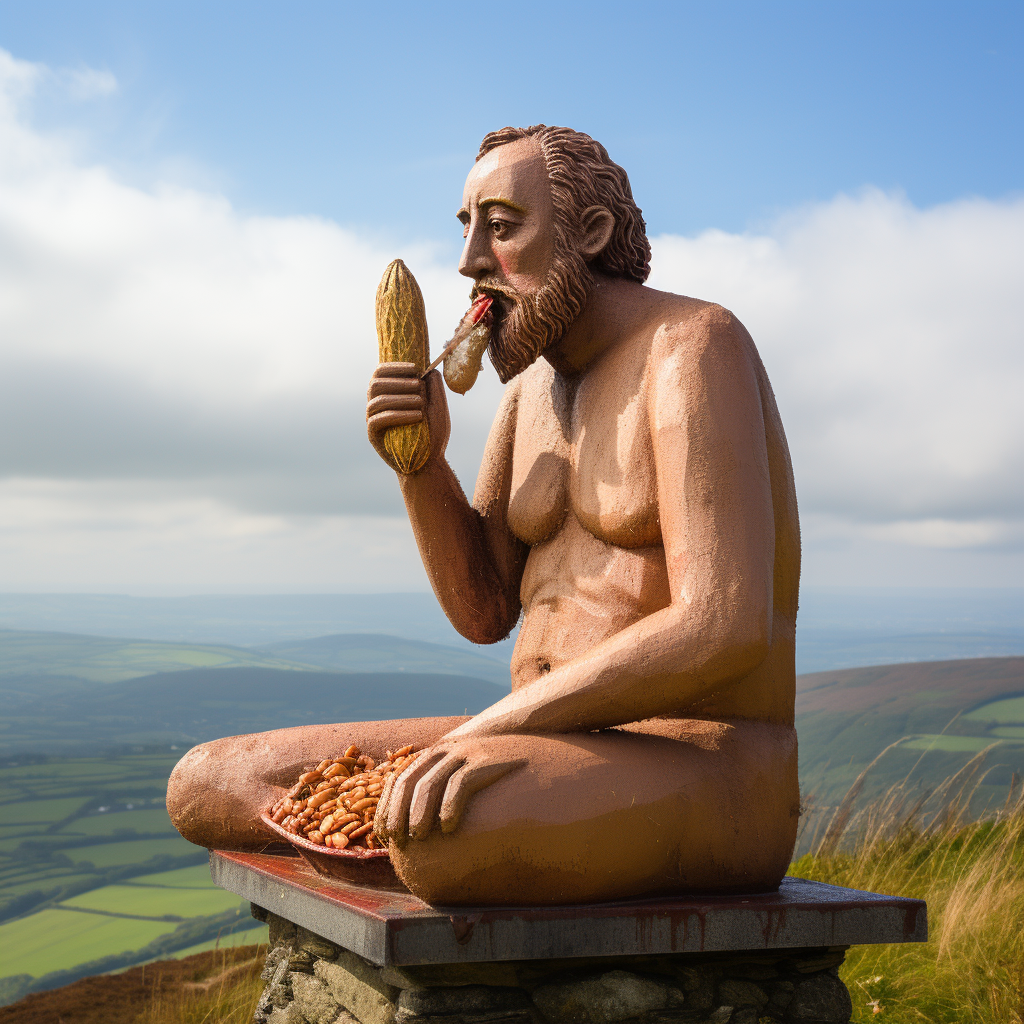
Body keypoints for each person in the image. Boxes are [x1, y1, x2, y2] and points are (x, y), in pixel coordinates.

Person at [168, 125, 801, 906]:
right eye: (466, 230)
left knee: (441, 837)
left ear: (590, 235)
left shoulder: (695, 346)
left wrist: (483, 734)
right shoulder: (527, 391)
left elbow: (726, 623)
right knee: (208, 785)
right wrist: (421, 464)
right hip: (542, 739)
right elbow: (484, 610)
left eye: (500, 228)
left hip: (706, 763)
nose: (470, 261)